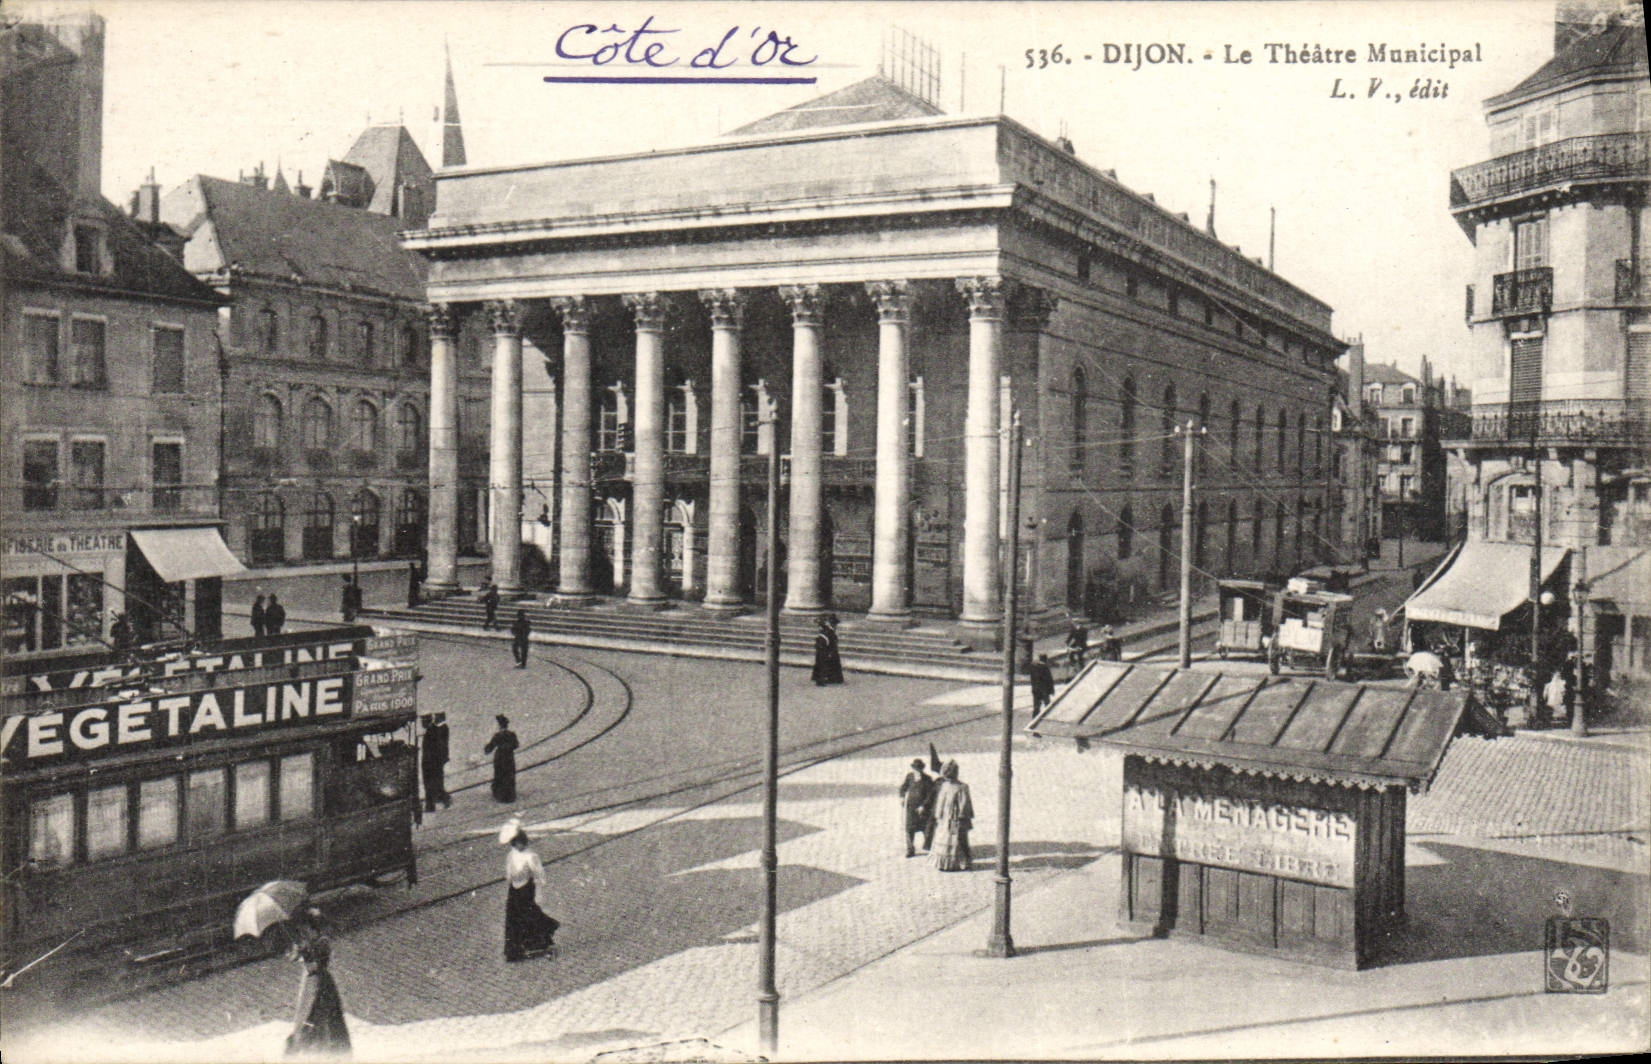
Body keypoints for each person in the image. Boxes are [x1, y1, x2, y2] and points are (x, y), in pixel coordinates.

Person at [284, 907, 350, 1058]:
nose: (303, 933)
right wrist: (297, 953)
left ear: (311, 927)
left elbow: (315, 966)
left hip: (321, 985)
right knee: (312, 1017)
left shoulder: (322, 943)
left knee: (321, 1018)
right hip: (311, 983)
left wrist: (305, 955)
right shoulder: (311, 941)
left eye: (304, 929)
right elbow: (298, 957)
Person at [501, 821, 559, 962]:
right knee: (513, 918)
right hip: (514, 889)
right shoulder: (512, 855)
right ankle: (514, 950)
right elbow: (509, 871)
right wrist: (510, 883)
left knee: (528, 915)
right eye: (516, 843)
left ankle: (540, 941)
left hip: (526, 888)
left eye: (521, 843)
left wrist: (539, 891)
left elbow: (539, 874)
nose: (519, 846)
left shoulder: (531, 856)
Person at [931, 760, 974, 872]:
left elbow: (964, 805)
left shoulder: (961, 787)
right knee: (948, 837)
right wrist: (938, 816)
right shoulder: (946, 785)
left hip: (954, 819)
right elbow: (941, 802)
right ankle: (947, 863)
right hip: (947, 818)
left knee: (955, 838)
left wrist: (960, 817)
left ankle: (956, 863)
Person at [898, 758, 935, 858]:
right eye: (915, 769)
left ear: (922, 769)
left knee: (926, 829)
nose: (917, 771)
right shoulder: (909, 777)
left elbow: (930, 795)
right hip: (911, 807)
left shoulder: (928, 779)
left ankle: (929, 848)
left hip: (923, 809)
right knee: (909, 828)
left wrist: (924, 805)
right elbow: (903, 787)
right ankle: (910, 849)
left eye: (919, 769)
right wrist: (902, 797)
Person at [485, 714, 519, 803]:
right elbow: (516, 745)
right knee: (509, 775)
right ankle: (510, 795)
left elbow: (489, 748)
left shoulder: (497, 735)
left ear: (499, 726)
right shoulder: (512, 734)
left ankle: (500, 795)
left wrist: (486, 748)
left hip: (500, 758)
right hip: (509, 757)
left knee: (500, 775)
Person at [422, 713, 451, 812]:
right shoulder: (432, 729)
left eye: (423, 721)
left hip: (431, 762)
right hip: (432, 762)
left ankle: (431, 806)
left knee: (431, 784)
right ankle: (438, 801)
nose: (422, 723)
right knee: (435, 783)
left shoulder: (432, 730)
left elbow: (438, 747)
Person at [812, 615, 844, 686]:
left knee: (826, 664)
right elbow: (828, 641)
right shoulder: (828, 631)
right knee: (823, 664)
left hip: (827, 649)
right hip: (825, 650)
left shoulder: (829, 630)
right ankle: (821, 680)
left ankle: (831, 678)